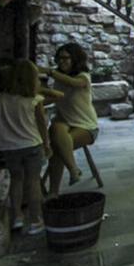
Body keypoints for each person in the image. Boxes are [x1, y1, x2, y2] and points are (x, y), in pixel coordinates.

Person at [0, 60, 57, 234]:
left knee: (16, 180)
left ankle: (17, 218)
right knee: (33, 182)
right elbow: (42, 124)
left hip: (8, 148)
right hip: (32, 145)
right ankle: (36, 220)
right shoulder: (34, 100)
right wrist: (47, 144)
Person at [40, 43, 100, 196]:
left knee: (57, 148)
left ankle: (54, 191)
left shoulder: (83, 77)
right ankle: (73, 170)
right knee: (55, 128)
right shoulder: (60, 80)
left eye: (66, 58)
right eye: (59, 58)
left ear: (75, 59)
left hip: (86, 126)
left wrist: (49, 72)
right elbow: (55, 97)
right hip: (65, 122)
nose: (62, 62)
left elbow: (74, 83)